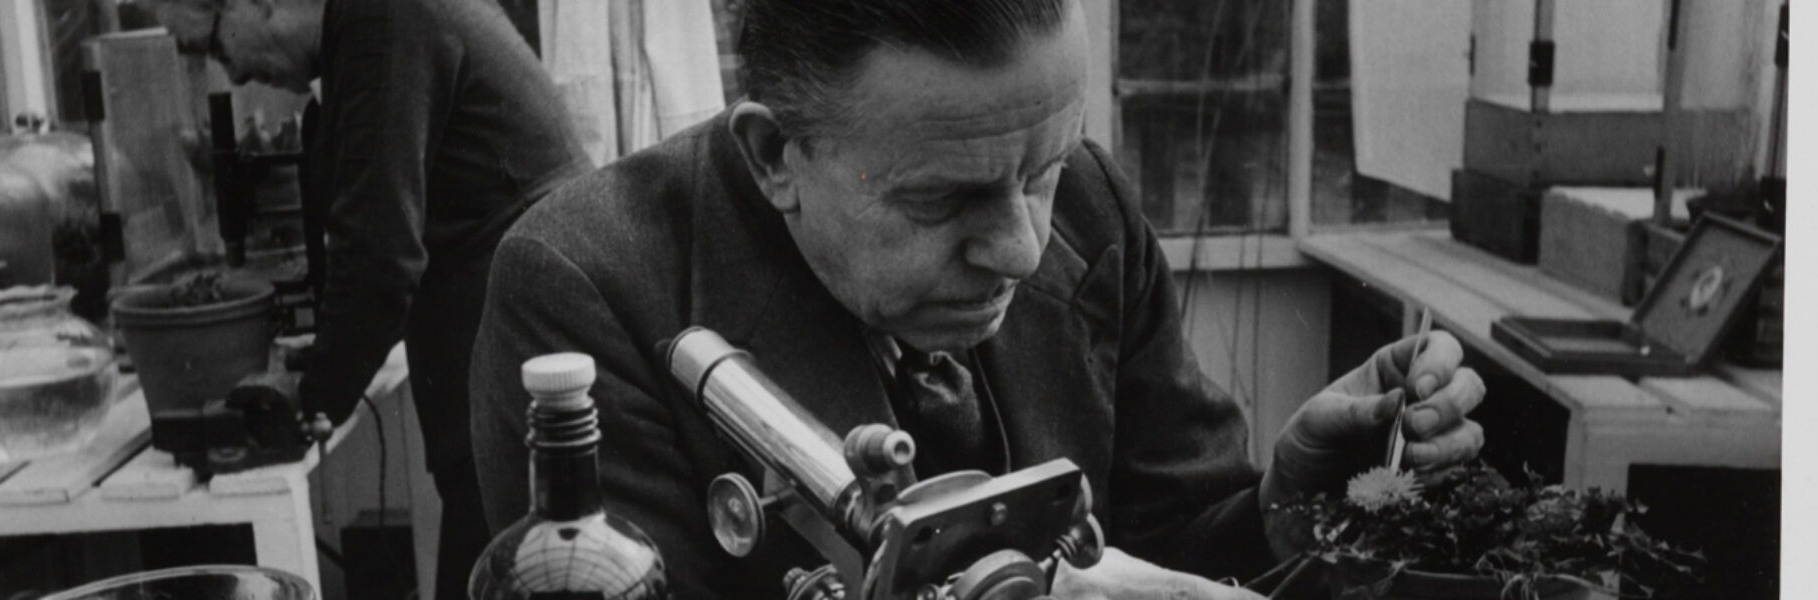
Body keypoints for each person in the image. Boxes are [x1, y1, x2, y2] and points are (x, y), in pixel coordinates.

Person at [470, 0, 1487, 597]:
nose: (1022, 247)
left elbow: (1173, 538)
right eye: (943, 199)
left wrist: (1286, 503)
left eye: (1041, 170)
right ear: (776, 155)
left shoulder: (1088, 202)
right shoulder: (587, 286)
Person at [140, 0, 591, 597]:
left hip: (524, 370)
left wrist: (313, 398)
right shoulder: (371, 25)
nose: (237, 74)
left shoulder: (382, 19)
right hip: (521, 360)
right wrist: (324, 362)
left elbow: (379, 252)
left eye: (217, 47)